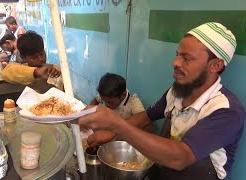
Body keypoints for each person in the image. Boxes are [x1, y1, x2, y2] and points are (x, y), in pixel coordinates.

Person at [78, 22, 245, 180]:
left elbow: (181, 157)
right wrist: (110, 133)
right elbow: (146, 117)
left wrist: (116, 125)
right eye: (177, 55)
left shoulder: (226, 110)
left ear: (215, 65)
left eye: (186, 58)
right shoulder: (177, 91)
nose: (175, 63)